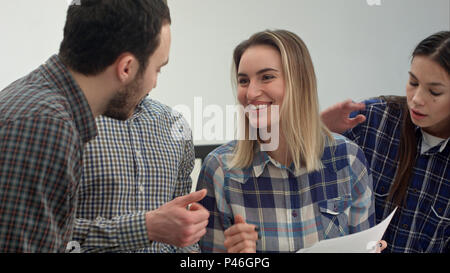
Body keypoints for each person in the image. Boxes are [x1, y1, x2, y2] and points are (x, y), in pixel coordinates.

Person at [0, 0, 208, 252]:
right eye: (158, 70)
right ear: (126, 68)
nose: (154, 83)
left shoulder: (41, 108)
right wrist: (145, 227)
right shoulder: (46, 125)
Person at [196, 30, 376, 253]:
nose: (251, 93)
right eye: (243, 81)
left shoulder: (347, 158)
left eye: (267, 77)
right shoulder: (220, 169)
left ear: (299, 83)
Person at [320, 31, 449, 253]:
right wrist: (317, 128)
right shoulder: (374, 120)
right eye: (413, 82)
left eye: (434, 91)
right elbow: (287, 168)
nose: (417, 99)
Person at [72, 97, 204, 253]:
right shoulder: (70, 119)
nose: (155, 81)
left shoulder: (174, 123)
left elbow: (181, 232)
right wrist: (143, 228)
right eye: (155, 71)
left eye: (159, 71)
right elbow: (48, 227)